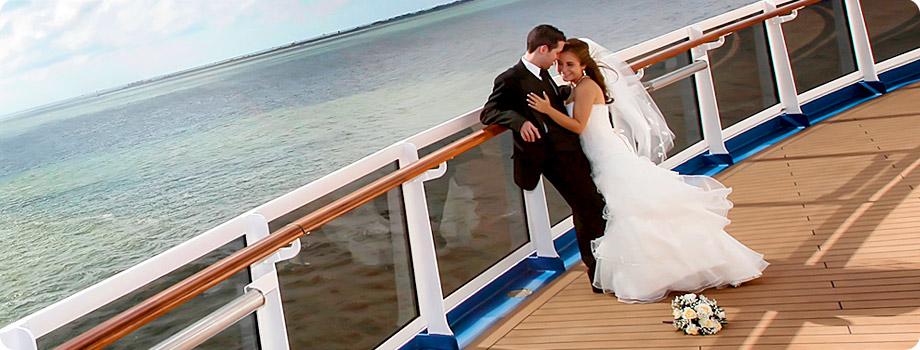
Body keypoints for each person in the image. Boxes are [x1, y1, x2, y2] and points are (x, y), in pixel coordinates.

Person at [526, 38, 768, 303]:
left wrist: (547, 110)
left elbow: (578, 125)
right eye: (560, 64)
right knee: (628, 213)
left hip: (608, 157)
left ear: (584, 64)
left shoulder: (586, 87)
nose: (563, 70)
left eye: (570, 64)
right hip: (599, 156)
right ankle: (659, 268)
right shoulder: (576, 86)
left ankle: (666, 271)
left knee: (631, 213)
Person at [481, 25, 608, 293]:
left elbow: (552, 101)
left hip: (573, 150)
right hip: (550, 158)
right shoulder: (510, 78)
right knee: (589, 208)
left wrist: (568, 93)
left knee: (590, 207)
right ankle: (599, 274)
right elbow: (489, 112)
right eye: (556, 55)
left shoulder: (544, 73)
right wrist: (518, 122)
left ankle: (603, 271)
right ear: (543, 49)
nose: (557, 63)